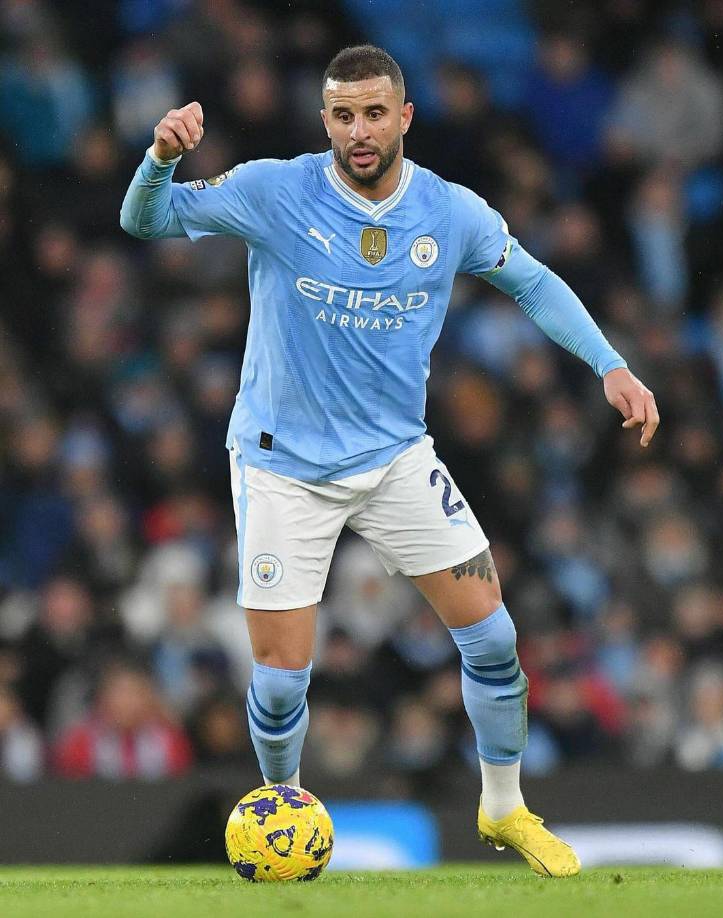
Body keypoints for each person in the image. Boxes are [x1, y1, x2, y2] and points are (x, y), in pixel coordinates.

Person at [120, 44, 659, 877]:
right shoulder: (274, 191)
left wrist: (610, 365)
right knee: (278, 685)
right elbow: (143, 222)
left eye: (375, 113)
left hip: (395, 459)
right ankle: (284, 816)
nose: (359, 131)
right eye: (343, 115)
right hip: (280, 466)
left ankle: (505, 806)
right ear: (324, 121)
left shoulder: (449, 213)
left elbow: (536, 283)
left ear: (403, 116)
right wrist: (159, 160)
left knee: (493, 639)